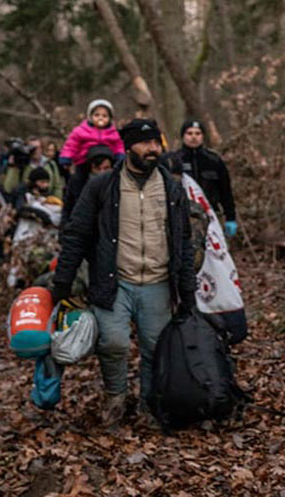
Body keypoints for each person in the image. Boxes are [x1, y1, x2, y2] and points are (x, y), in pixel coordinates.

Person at [52, 118, 196, 426]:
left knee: (155, 347)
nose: (152, 149)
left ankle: (148, 404)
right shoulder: (102, 186)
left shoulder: (171, 188)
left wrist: (187, 291)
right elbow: (77, 234)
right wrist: (62, 280)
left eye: (156, 143)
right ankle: (115, 397)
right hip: (114, 280)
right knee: (113, 343)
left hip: (158, 281)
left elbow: (184, 239)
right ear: (128, 146)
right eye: (145, 143)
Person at [168, 120, 238, 237]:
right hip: (184, 216)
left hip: (211, 215)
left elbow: (225, 191)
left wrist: (230, 217)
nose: (194, 137)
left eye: (197, 133)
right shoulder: (174, 161)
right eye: (189, 133)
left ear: (203, 136)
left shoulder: (214, 160)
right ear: (183, 136)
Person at [58, 99, 125, 172]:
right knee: (77, 179)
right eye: (97, 115)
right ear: (90, 117)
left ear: (109, 119)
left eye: (104, 116)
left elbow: (118, 145)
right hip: (84, 161)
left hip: (107, 162)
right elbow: (71, 145)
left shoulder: (113, 132)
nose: (100, 118)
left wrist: (120, 155)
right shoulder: (81, 131)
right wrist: (66, 157)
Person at [60, 144, 115, 231]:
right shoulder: (77, 183)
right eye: (98, 169)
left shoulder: (117, 184)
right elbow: (68, 208)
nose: (102, 173)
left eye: (106, 168)